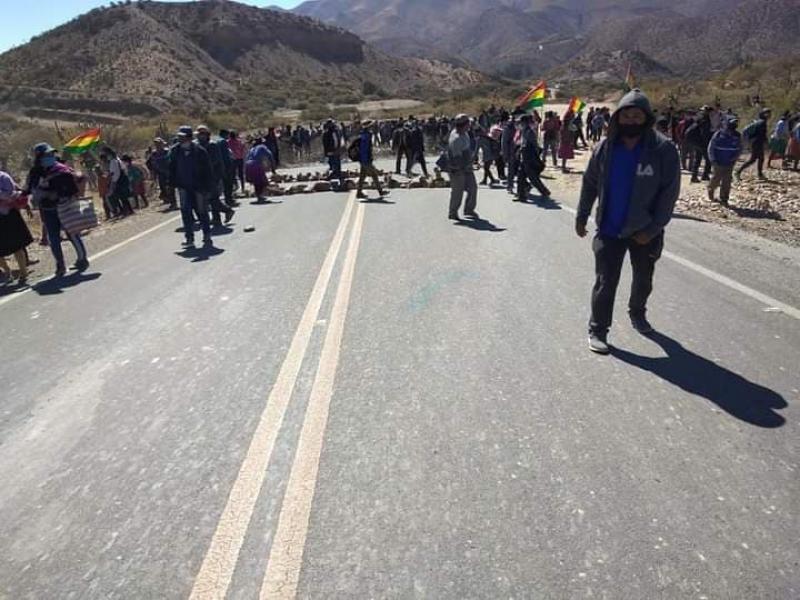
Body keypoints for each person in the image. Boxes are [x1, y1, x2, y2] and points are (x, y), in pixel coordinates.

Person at [575, 89, 681, 354]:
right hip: (609, 229)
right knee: (605, 281)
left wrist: (654, 228)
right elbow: (589, 183)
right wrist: (581, 214)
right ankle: (598, 329)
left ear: (646, 118)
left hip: (645, 232)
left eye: (637, 115)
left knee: (643, 279)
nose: (632, 120)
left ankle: (637, 313)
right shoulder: (605, 147)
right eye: (627, 115)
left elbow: (669, 194)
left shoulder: (663, 149)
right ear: (617, 118)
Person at [31, 143, 90, 276]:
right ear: (39, 157)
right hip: (47, 209)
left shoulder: (61, 169)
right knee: (54, 238)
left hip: (64, 206)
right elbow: (31, 189)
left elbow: (77, 181)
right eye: (47, 155)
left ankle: (82, 259)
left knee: (72, 233)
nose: (51, 157)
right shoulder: (35, 172)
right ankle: (60, 265)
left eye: (52, 154)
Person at [168, 126, 214, 249]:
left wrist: (208, 188)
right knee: (186, 212)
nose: (180, 139)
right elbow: (170, 168)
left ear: (189, 137)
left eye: (182, 137)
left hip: (199, 186)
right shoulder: (174, 151)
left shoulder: (200, 151)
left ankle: (207, 234)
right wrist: (172, 183)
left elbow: (208, 170)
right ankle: (189, 238)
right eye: (179, 137)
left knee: (202, 211)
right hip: (183, 186)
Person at [195, 126, 234, 227]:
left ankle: (227, 210)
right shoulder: (198, 145)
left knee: (212, 198)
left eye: (201, 134)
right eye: (198, 134)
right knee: (211, 199)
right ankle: (217, 219)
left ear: (206, 135)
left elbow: (215, 162)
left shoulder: (212, 145)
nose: (199, 136)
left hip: (213, 176)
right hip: (203, 177)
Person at [0, 169, 32, 286]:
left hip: (9, 215)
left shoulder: (3, 177)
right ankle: (7, 272)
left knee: (17, 245)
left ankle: (23, 273)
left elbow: (10, 194)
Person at [447, 114, 478, 220]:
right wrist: (465, 166)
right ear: (463, 125)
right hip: (457, 169)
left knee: (473, 188)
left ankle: (469, 210)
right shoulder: (456, 139)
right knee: (457, 191)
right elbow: (457, 158)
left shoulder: (465, 134)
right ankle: (453, 212)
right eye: (468, 123)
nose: (470, 125)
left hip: (466, 166)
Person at [707, 117, 742, 206]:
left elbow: (740, 148)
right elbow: (711, 147)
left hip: (729, 162)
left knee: (727, 181)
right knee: (716, 178)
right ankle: (711, 190)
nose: (734, 125)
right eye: (732, 123)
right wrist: (713, 159)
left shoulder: (737, 135)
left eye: (736, 123)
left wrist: (735, 158)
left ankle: (724, 198)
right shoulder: (718, 134)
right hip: (718, 162)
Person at [516, 114, 550, 201]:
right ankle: (521, 196)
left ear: (525, 123)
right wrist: (519, 150)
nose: (520, 124)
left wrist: (537, 156)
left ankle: (544, 191)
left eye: (521, 122)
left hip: (529, 158)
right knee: (521, 177)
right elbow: (523, 144)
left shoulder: (530, 132)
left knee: (532, 178)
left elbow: (534, 145)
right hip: (524, 158)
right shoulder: (523, 131)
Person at [355, 120, 388, 199]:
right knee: (374, 175)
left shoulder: (363, 135)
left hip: (363, 159)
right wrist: (367, 159)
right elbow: (365, 149)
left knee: (362, 177)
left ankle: (359, 193)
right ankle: (380, 191)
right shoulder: (366, 136)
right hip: (366, 160)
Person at [737, 108, 771, 181]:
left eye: (769, 113)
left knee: (758, 159)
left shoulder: (759, 122)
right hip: (757, 142)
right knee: (755, 159)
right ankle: (739, 172)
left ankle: (759, 174)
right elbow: (762, 134)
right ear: (763, 114)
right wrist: (766, 142)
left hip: (755, 142)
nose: (769, 115)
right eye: (767, 113)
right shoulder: (762, 123)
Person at [100, 146, 134, 217]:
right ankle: (129, 210)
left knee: (122, 196)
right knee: (123, 197)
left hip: (119, 180)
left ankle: (127, 211)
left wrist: (113, 182)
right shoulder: (116, 159)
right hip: (122, 179)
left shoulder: (113, 161)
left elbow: (115, 173)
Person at [685, 106, 713, 182]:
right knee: (708, 159)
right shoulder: (705, 120)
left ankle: (694, 177)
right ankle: (705, 175)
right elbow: (705, 133)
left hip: (696, 142)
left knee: (697, 159)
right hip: (702, 143)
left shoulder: (698, 119)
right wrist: (707, 143)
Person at [147, 138, 175, 209]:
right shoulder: (154, 154)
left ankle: (173, 202)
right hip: (160, 173)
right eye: (156, 144)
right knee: (163, 188)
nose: (157, 145)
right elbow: (149, 163)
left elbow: (172, 161)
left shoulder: (167, 151)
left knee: (170, 187)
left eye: (159, 143)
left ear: (162, 144)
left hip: (168, 172)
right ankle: (168, 200)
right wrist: (153, 172)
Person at [245, 138, 274, 204]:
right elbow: (270, 155)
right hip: (256, 164)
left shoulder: (252, 149)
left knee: (256, 181)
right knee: (263, 181)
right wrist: (273, 166)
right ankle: (260, 196)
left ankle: (259, 196)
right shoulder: (262, 147)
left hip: (248, 164)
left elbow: (247, 157)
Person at [322, 119, 345, 190]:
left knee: (337, 165)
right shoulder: (326, 133)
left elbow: (339, 141)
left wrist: (340, 149)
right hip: (331, 152)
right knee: (333, 165)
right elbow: (325, 144)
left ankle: (337, 178)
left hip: (336, 151)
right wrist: (327, 152)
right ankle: (336, 178)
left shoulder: (336, 132)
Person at [217, 129, 237, 208]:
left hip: (219, 166)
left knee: (224, 184)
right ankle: (229, 200)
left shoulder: (216, 141)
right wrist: (230, 165)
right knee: (228, 183)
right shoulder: (223, 142)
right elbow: (226, 156)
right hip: (226, 165)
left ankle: (227, 199)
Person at [501, 114, 518, 194]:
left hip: (518, 151)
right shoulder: (507, 129)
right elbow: (504, 143)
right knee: (511, 171)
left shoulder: (518, 127)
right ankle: (510, 186)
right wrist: (505, 154)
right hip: (510, 152)